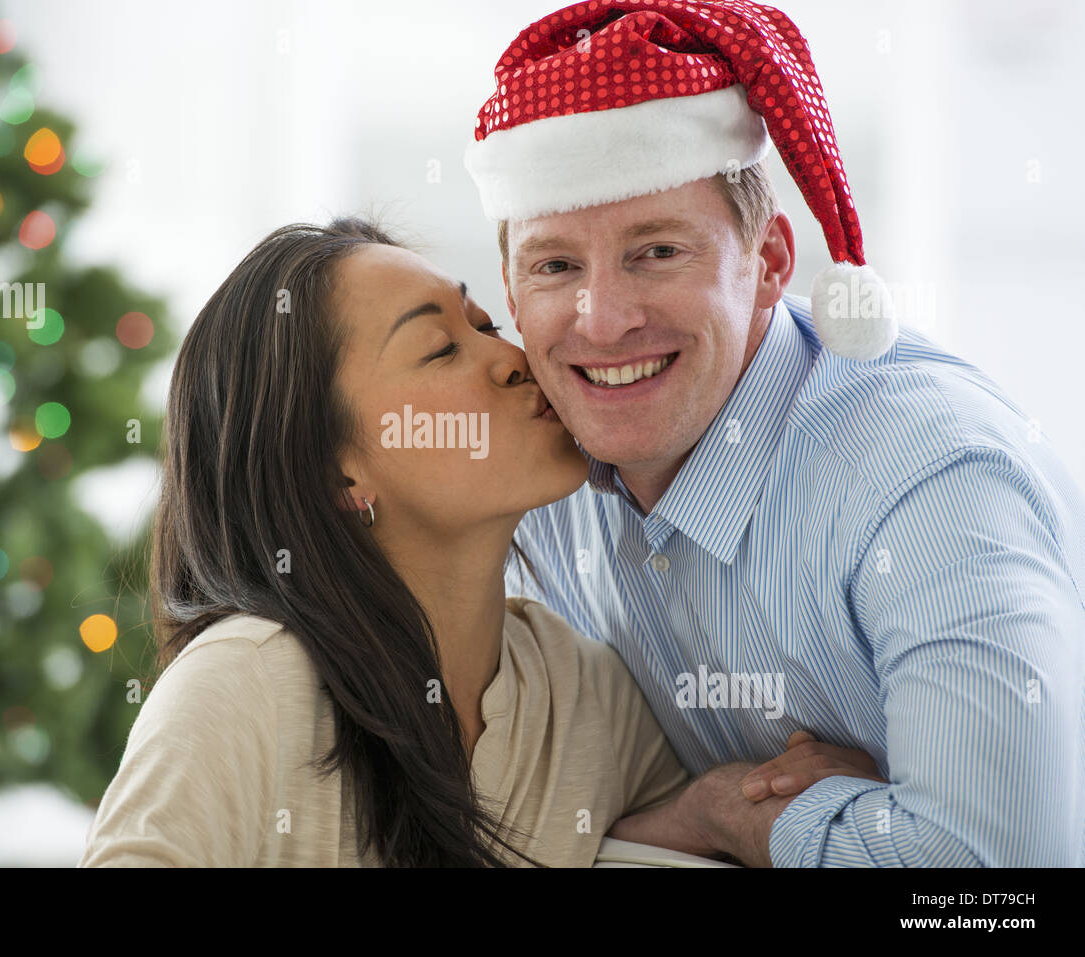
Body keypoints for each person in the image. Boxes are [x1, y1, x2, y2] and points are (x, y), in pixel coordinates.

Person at [461, 0, 1085, 866]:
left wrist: (763, 826)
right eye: (556, 265)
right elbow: (451, 809)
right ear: (510, 285)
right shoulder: (528, 478)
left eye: (657, 252)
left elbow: (996, 883)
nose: (599, 322)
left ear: (772, 263)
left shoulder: (933, 479)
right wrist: (704, 816)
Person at [78, 217, 883, 867]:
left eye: (483, 323)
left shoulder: (582, 696)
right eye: (439, 349)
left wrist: (712, 810)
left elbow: (632, 841)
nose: (509, 357)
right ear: (338, 476)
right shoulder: (250, 684)